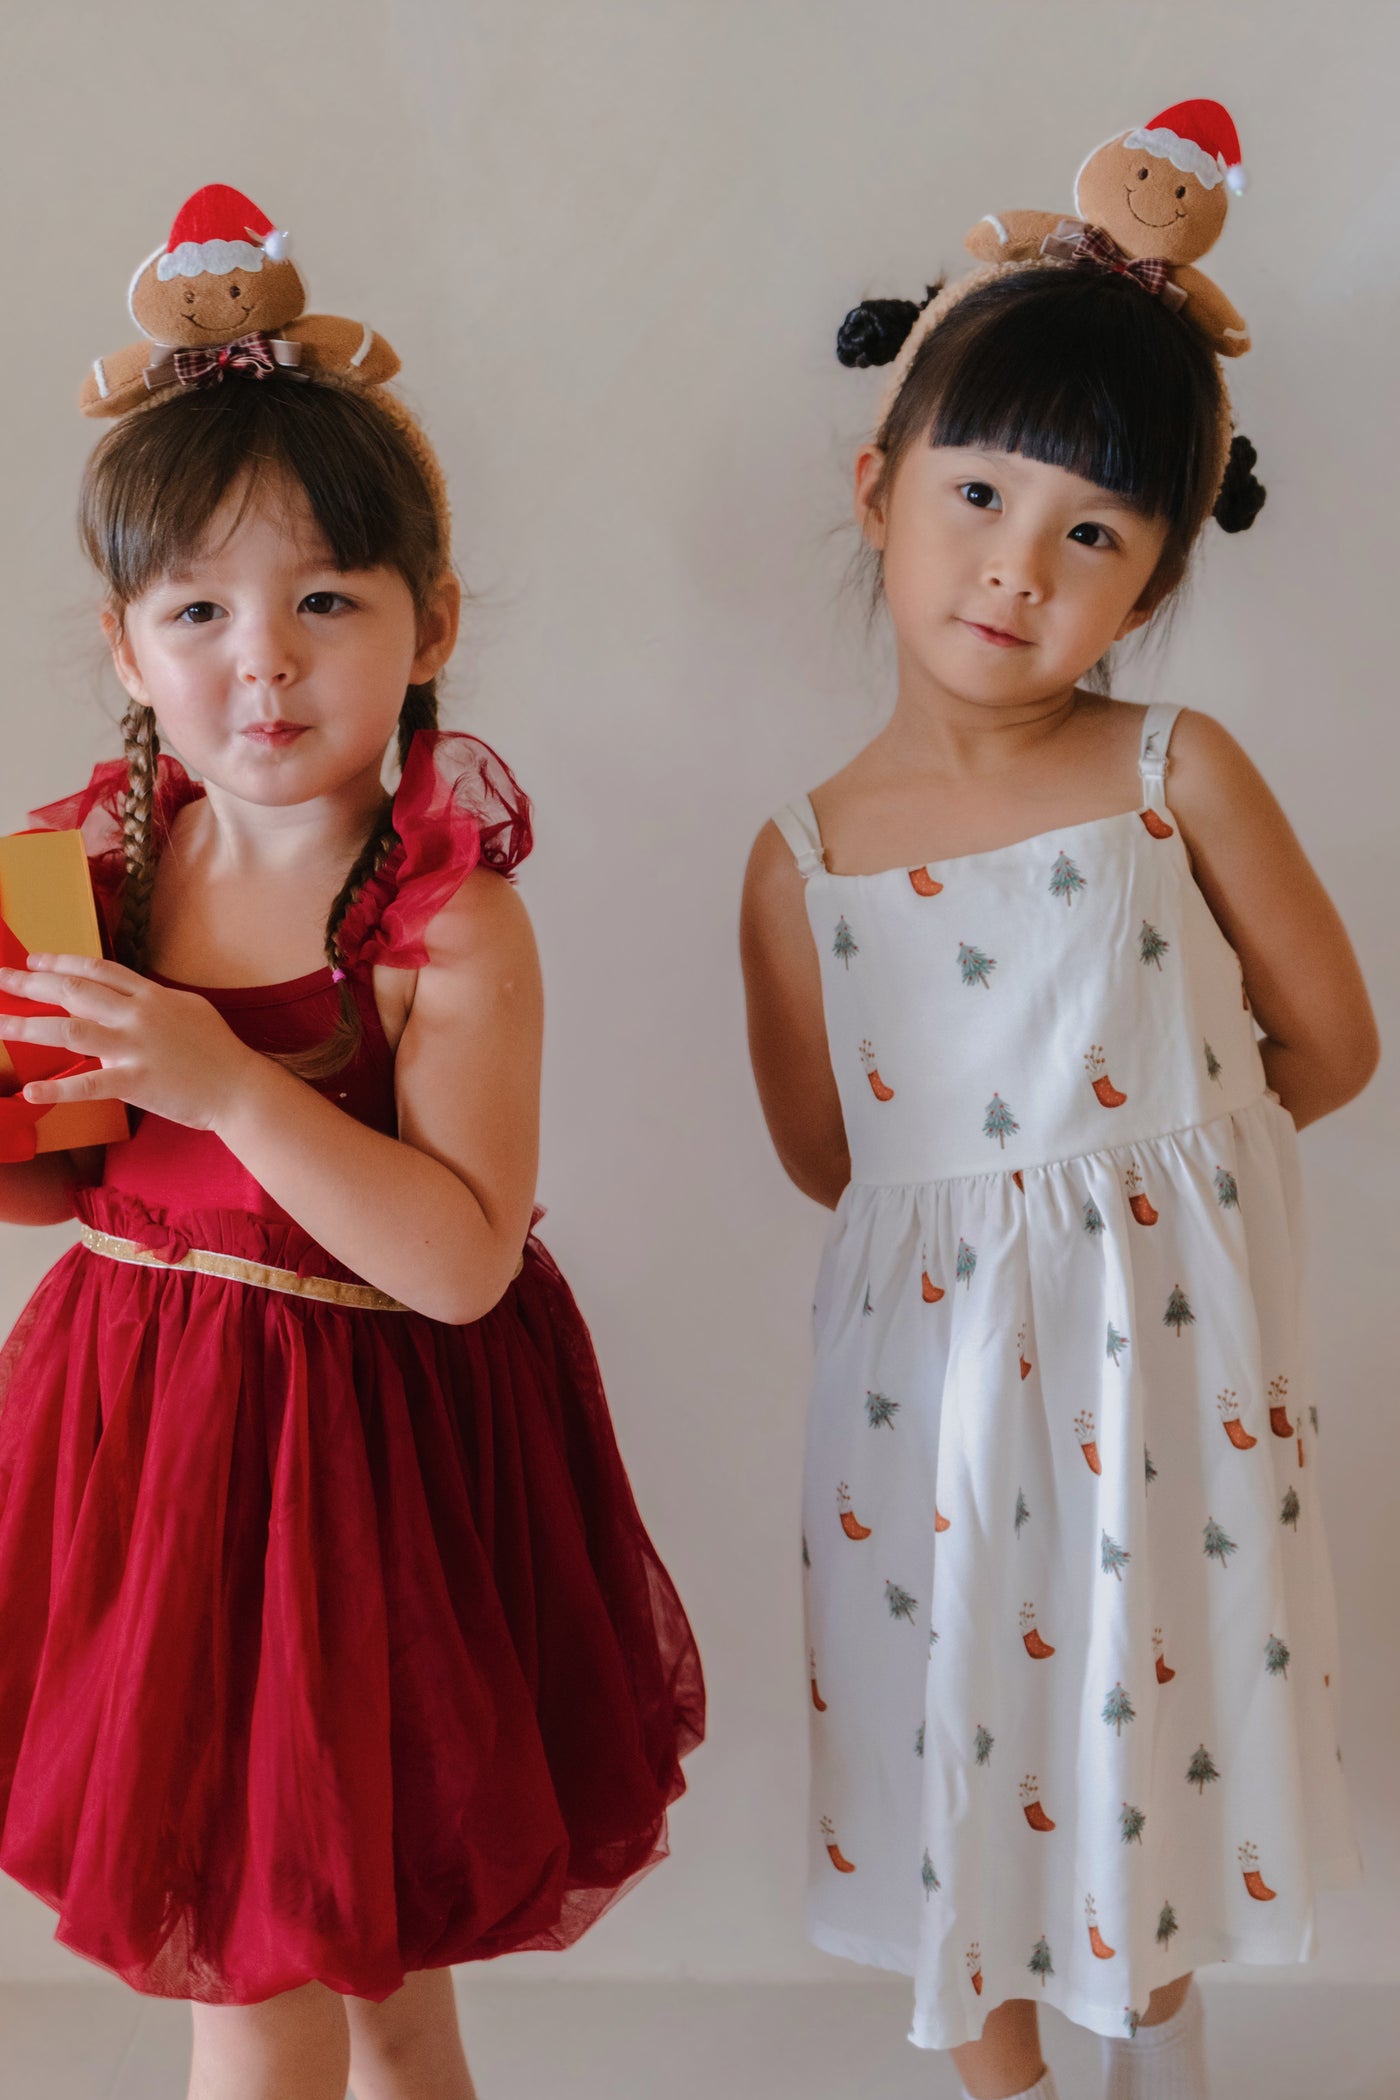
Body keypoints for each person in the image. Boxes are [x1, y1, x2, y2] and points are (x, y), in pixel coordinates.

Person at [0, 190, 703, 2100]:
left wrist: (225, 1083)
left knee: (310, 1964)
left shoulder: (444, 923)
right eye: (200, 610)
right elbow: (73, 1178)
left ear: (430, 621)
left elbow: (463, 1256)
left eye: (326, 599)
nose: (266, 662)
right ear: (126, 645)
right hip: (148, 1448)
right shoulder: (97, 872)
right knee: (319, 1953)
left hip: (368, 1463)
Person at [740, 164, 1376, 2100]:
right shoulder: (806, 855)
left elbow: (1329, 1043)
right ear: (878, 485)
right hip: (921, 1406)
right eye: (978, 496)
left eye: (1090, 529)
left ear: (1156, 576)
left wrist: (1141, 1216)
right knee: (956, 1736)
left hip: (1160, 1387)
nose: (1017, 566)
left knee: (1140, 1732)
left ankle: (1151, 2072)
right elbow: (828, 1151)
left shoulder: (1178, 775)